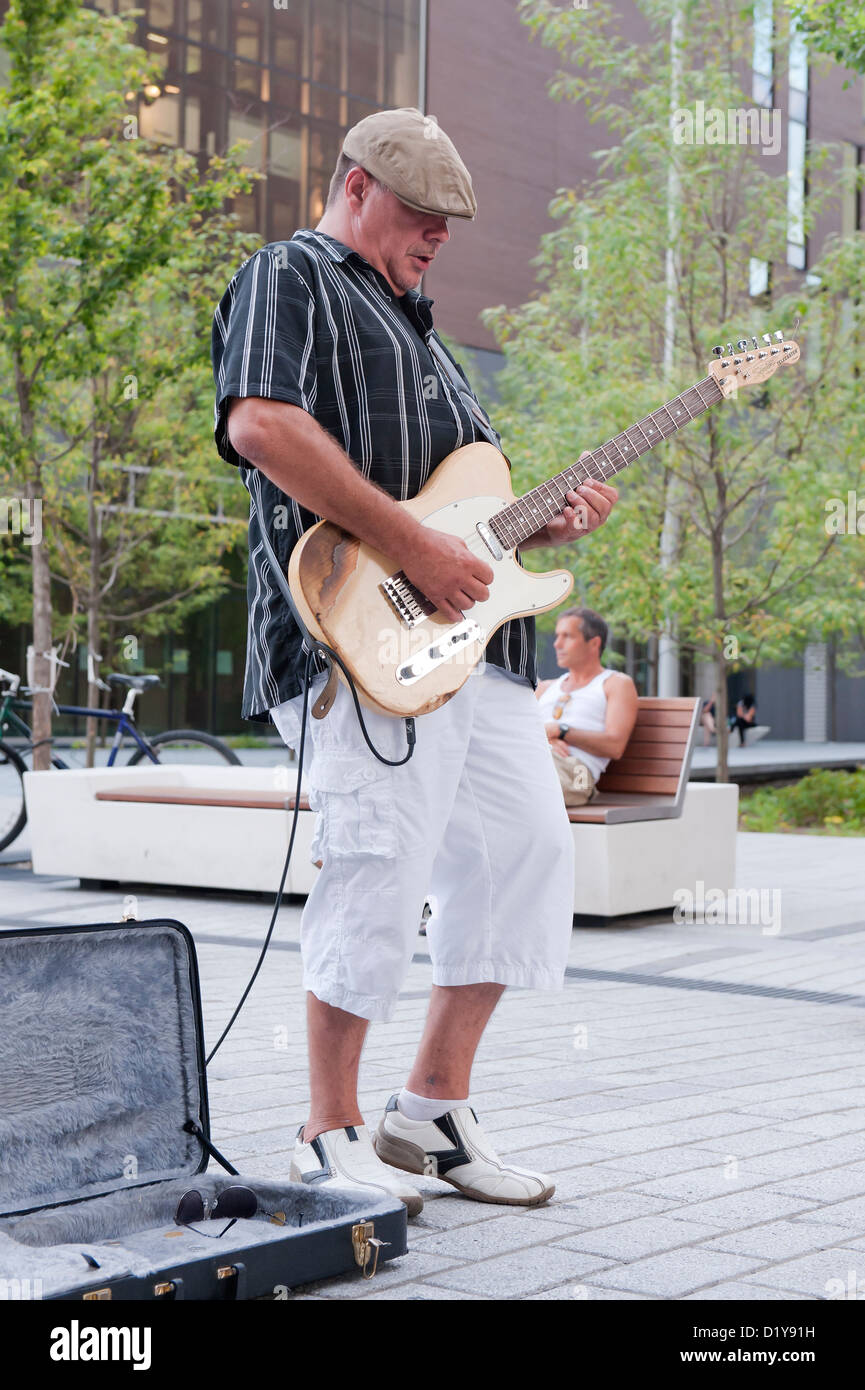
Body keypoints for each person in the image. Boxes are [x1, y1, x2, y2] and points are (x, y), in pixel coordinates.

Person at [211, 108, 619, 1215]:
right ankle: (324, 1130)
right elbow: (260, 424)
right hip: (356, 648)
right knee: (376, 868)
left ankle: (427, 1113)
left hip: (472, 660)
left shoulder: (427, 334)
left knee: (526, 854)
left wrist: (536, 526)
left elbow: (460, 524)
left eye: (449, 221)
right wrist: (410, 542)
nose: (438, 234)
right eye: (418, 212)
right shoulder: (290, 274)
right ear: (352, 187)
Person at [536, 609, 638, 807]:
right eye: (557, 636)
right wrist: (544, 740)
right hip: (537, 757)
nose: (557, 644)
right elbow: (517, 731)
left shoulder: (615, 684)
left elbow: (615, 746)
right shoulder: (545, 687)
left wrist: (560, 731)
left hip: (576, 773)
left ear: (594, 643)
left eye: (567, 636)